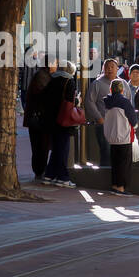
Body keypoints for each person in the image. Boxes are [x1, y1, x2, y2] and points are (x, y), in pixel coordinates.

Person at [85, 58, 130, 167]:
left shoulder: (124, 83)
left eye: (112, 67)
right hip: (104, 124)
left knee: (119, 153)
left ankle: (117, 178)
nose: (109, 69)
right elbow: (89, 102)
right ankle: (106, 176)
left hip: (121, 126)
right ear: (103, 69)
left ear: (117, 69)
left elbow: (129, 103)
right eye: (107, 67)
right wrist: (99, 118)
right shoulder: (97, 83)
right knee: (106, 152)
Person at [43, 59, 80, 188]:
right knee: (62, 148)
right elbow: (71, 101)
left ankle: (49, 175)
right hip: (64, 119)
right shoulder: (69, 81)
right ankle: (63, 177)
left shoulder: (51, 80)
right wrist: (77, 100)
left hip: (51, 119)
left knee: (56, 148)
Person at [103, 79, 139, 194]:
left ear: (110, 89)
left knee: (115, 163)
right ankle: (121, 187)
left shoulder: (107, 101)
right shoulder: (125, 102)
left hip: (112, 137)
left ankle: (114, 185)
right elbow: (133, 119)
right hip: (124, 136)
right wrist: (136, 125)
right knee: (124, 164)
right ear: (122, 90)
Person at [24, 57, 57, 182]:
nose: (56, 66)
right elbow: (44, 96)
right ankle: (40, 171)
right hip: (39, 118)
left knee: (40, 146)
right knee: (40, 146)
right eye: (55, 63)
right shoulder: (42, 76)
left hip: (39, 117)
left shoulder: (44, 75)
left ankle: (40, 170)